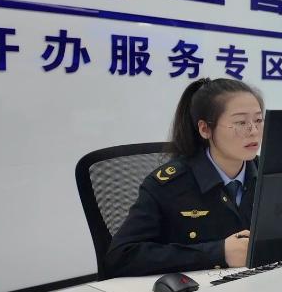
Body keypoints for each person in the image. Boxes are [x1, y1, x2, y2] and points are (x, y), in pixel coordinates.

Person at [105, 78, 264, 278]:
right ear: (205, 129)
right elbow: (120, 257)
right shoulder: (169, 185)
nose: (254, 131)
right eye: (240, 122)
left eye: (258, 120)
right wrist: (218, 253)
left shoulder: (270, 173)